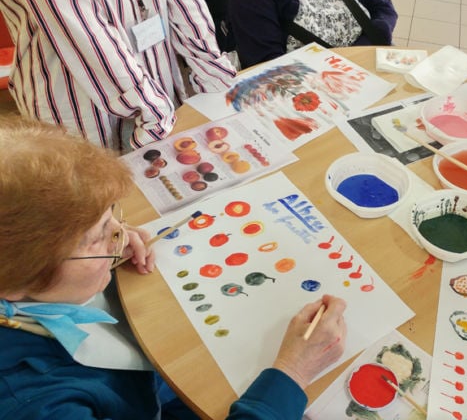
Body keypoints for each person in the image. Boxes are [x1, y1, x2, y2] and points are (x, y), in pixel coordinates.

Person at [0, 116, 347, 419]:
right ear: (17, 278)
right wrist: (292, 373)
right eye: (96, 237)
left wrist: (104, 247)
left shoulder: (24, 280)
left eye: (112, 217)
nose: (122, 234)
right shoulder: (35, 404)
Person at [0, 0, 237, 152]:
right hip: (76, 101)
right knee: (96, 205)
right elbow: (86, 34)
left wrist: (211, 70)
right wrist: (153, 111)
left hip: (155, 84)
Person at [228, 0, 397, 69]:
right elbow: (267, 66)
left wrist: (366, 44)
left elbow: (385, 9)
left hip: (366, 70)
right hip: (302, 93)